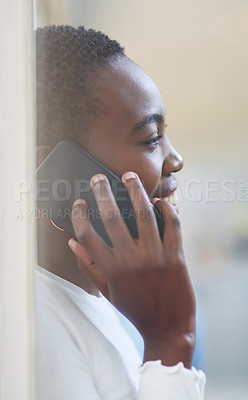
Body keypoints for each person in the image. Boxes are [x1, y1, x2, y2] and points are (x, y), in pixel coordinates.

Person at [35, 25, 206, 400]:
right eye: (150, 139)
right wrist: (171, 341)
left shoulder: (95, 298)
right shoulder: (34, 324)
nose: (175, 160)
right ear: (54, 173)